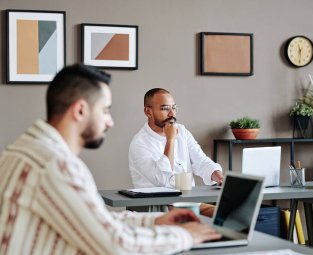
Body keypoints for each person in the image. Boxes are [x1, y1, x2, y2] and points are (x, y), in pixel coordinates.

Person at [0, 64, 220, 255]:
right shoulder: (54, 166)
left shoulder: (25, 150)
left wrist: (154, 221)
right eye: (105, 111)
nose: (110, 122)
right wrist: (185, 236)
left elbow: (97, 220)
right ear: (80, 111)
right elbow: (116, 245)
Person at [129, 88, 224, 189]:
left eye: (173, 108)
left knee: (226, 205)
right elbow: (163, 180)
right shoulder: (139, 143)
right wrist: (170, 140)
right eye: (165, 108)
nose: (172, 114)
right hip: (158, 203)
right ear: (148, 112)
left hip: (188, 201)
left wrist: (219, 177)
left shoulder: (182, 131)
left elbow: (201, 161)